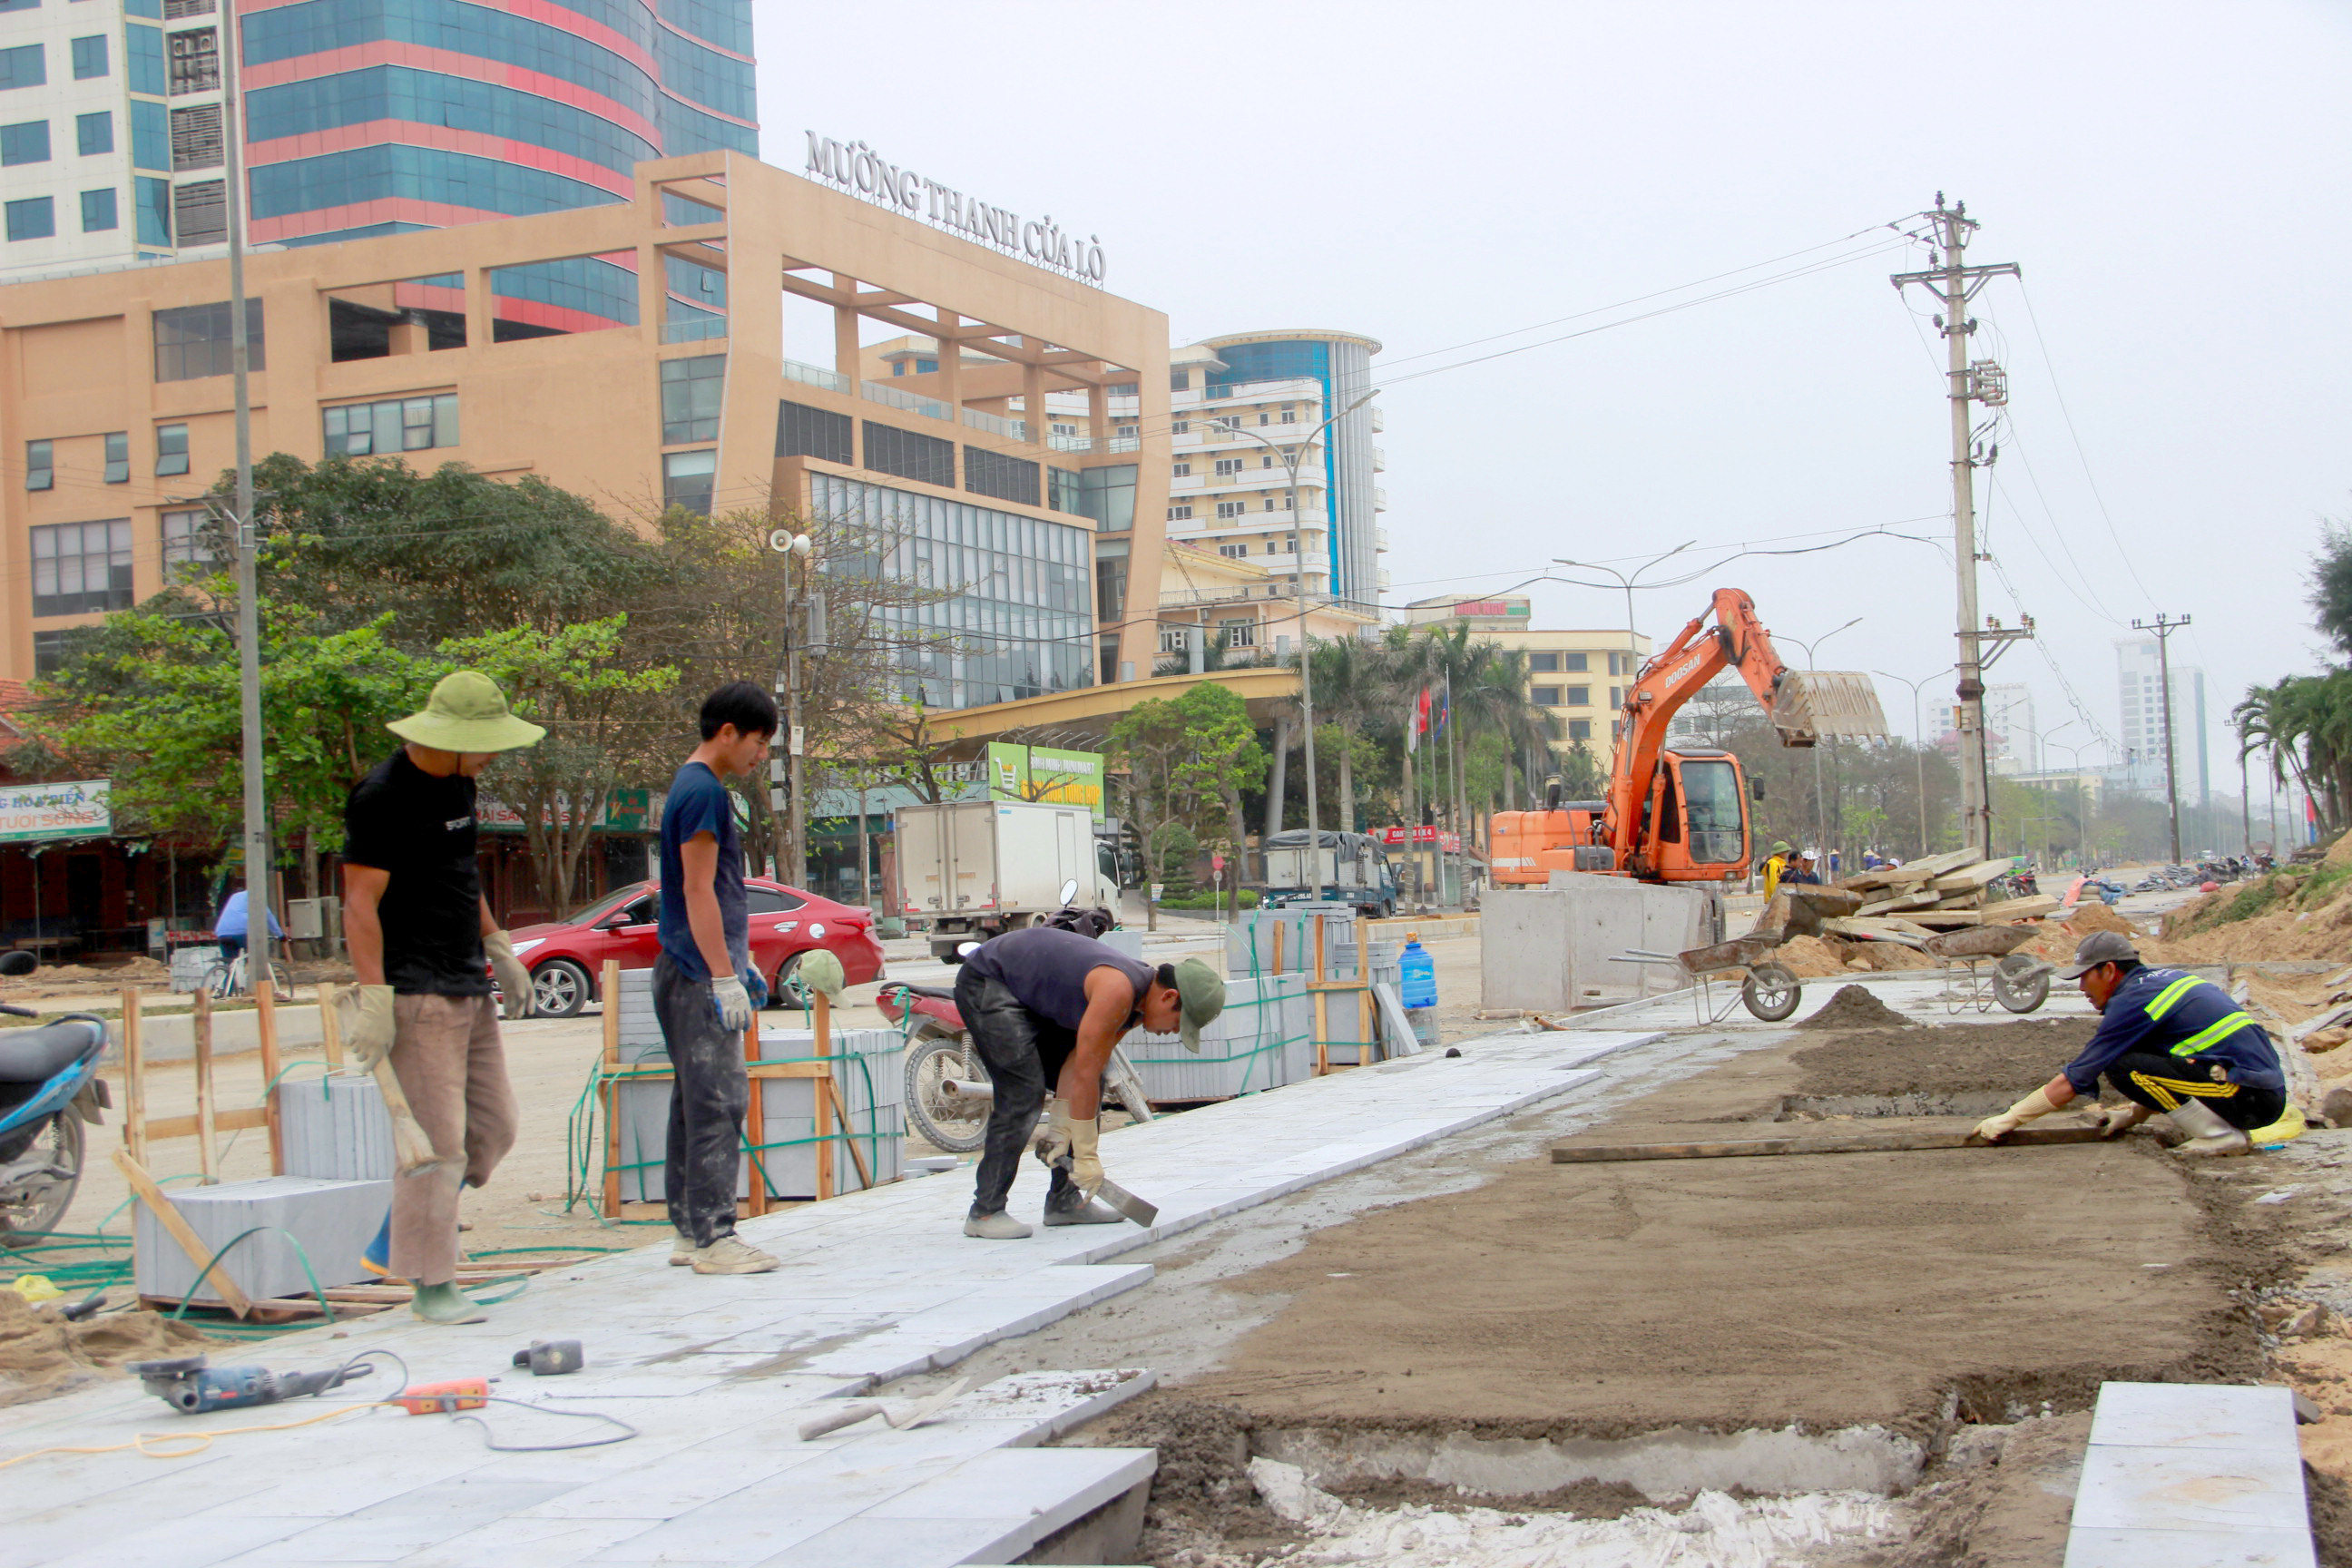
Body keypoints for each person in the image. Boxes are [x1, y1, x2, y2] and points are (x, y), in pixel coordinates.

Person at [341, 671, 543, 1323]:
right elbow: (359, 903)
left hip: (466, 980)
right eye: (484, 743)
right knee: (437, 1146)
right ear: (451, 736)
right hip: (415, 989)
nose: (492, 755)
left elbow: (460, 874)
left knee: (495, 1128)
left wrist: (498, 945)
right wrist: (374, 996)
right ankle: (430, 1286)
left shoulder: (461, 782)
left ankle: (398, 1231)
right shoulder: (381, 797)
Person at [957, 925, 1225, 1239]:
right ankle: (985, 1211)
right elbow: (1081, 1070)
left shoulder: (1135, 1006)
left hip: (1028, 992)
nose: (1174, 1032)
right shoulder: (1118, 989)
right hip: (991, 981)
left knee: (1093, 1081)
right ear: (1169, 996)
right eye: (1179, 1022)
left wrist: (1060, 1129)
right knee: (1023, 1092)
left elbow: (1079, 1065)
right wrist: (1086, 1156)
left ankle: (1065, 1202)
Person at [655, 681, 779, 1276]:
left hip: (687, 965)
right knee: (720, 1101)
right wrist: (723, 974)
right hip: (696, 972)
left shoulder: (689, 784)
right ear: (728, 732)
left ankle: (687, 1231)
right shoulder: (704, 791)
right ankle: (713, 1238)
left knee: (692, 1102)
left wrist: (741, 955)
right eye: (759, 742)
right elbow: (697, 888)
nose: (761, 756)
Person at [1975, 931, 2291, 1157]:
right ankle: (2220, 1129)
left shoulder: (2132, 1002)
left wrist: (2009, 1118)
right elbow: (2165, 1066)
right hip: (2253, 1086)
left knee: (2121, 1066)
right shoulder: (2160, 982)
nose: (2082, 987)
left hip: (2252, 1096)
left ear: (2109, 970)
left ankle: (2220, 1136)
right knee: (2133, 1059)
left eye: (2085, 976)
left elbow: (2078, 1076)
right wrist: (2133, 1115)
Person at [213, 885, 282, 973]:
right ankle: (256, 981)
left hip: (222, 932)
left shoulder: (235, 896)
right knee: (258, 957)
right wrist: (280, 935)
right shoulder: (255, 896)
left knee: (229, 967)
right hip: (241, 932)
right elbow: (268, 916)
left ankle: (228, 986)